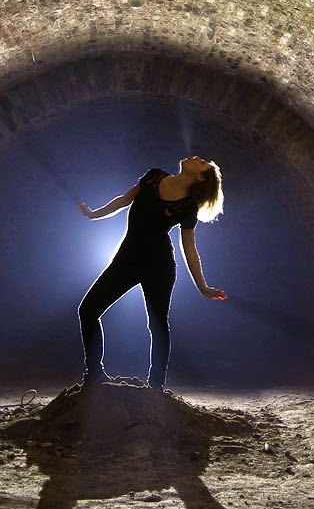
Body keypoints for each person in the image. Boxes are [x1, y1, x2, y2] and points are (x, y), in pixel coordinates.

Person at [76, 156, 227, 389]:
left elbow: (189, 247)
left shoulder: (188, 206)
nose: (196, 157)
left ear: (199, 177)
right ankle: (95, 373)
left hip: (160, 267)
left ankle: (156, 386)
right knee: (88, 310)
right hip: (126, 261)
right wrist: (93, 214)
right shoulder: (153, 176)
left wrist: (202, 287)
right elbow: (122, 201)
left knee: (157, 324)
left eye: (202, 163)